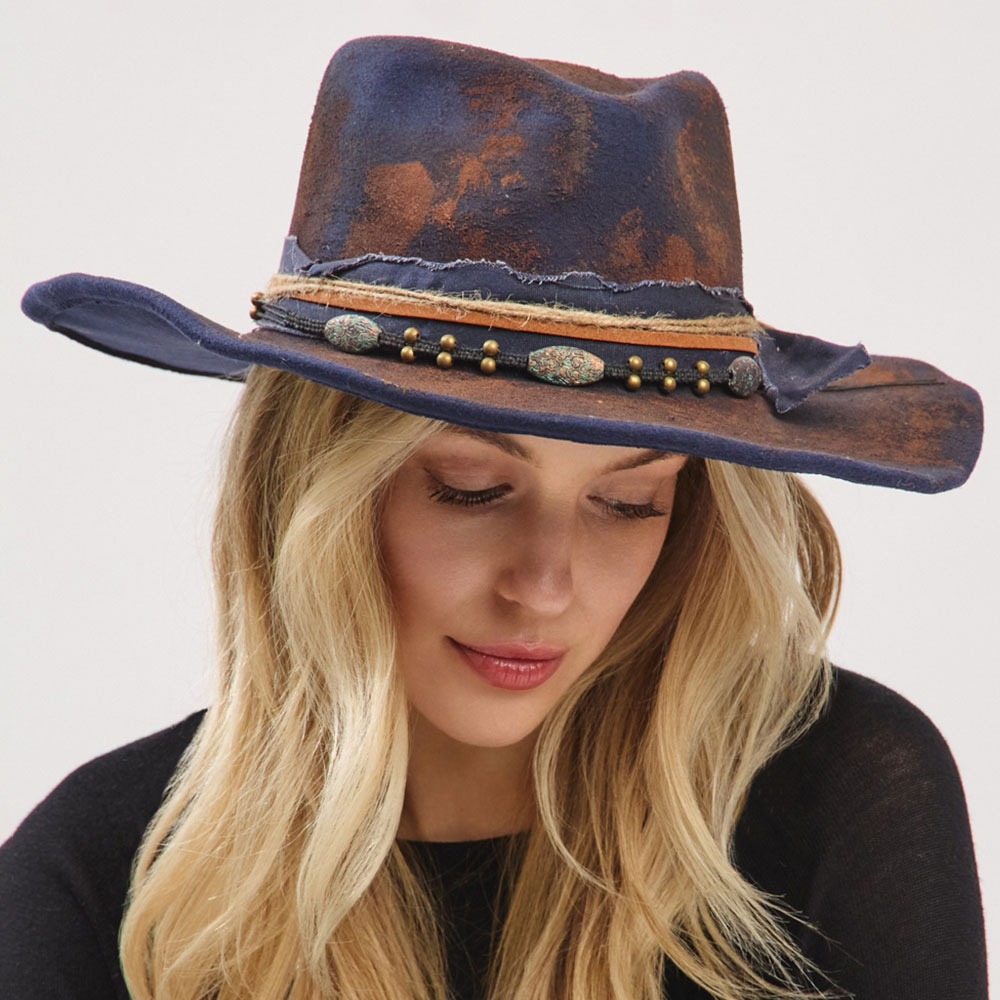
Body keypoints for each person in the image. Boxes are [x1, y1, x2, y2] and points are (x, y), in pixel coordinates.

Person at [1, 34, 987, 1000]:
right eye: (470, 489)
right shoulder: (102, 890)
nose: (545, 586)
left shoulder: (842, 800)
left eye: (628, 502)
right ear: (307, 489)